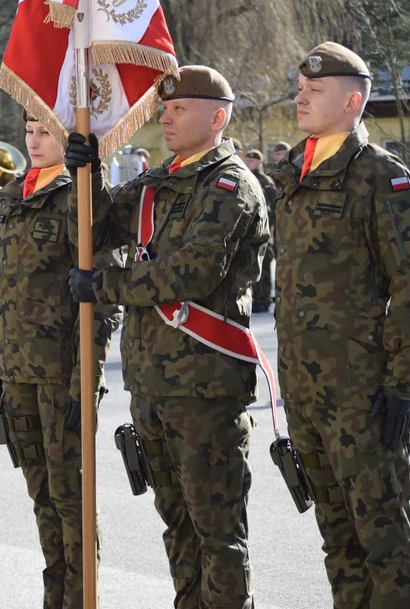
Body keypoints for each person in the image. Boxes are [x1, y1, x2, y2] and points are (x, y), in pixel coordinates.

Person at [69, 66, 269, 609]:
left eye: (180, 109)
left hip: (206, 390)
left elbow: (192, 273)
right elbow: (97, 230)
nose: (166, 116)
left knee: (218, 536)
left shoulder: (231, 185)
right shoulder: (159, 180)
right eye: (166, 108)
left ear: (217, 116)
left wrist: (106, 285)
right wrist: (87, 180)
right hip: (154, 387)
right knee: (177, 527)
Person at [273, 42, 410, 608]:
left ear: (352, 101)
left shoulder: (379, 177)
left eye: (314, 91)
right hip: (305, 392)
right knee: (337, 542)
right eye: (300, 87)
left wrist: (399, 384)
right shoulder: (292, 174)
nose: (301, 97)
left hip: (360, 396)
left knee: (384, 546)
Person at [0, 112, 121, 609]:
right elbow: (4, 293)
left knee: (71, 501)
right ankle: (55, 598)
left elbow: (103, 300)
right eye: (29, 132)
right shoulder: (12, 197)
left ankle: (82, 600)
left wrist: (88, 379)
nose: (33, 141)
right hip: (17, 370)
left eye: (46, 133)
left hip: (63, 374)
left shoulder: (77, 197)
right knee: (42, 499)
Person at [243, 149, 278, 312]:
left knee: (263, 266)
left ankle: (263, 299)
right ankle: (255, 297)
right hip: (248, 232)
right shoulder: (244, 176)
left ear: (260, 162)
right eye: (248, 159)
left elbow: (274, 206)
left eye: (253, 160)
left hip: (264, 231)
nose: (249, 162)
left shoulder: (265, 181)